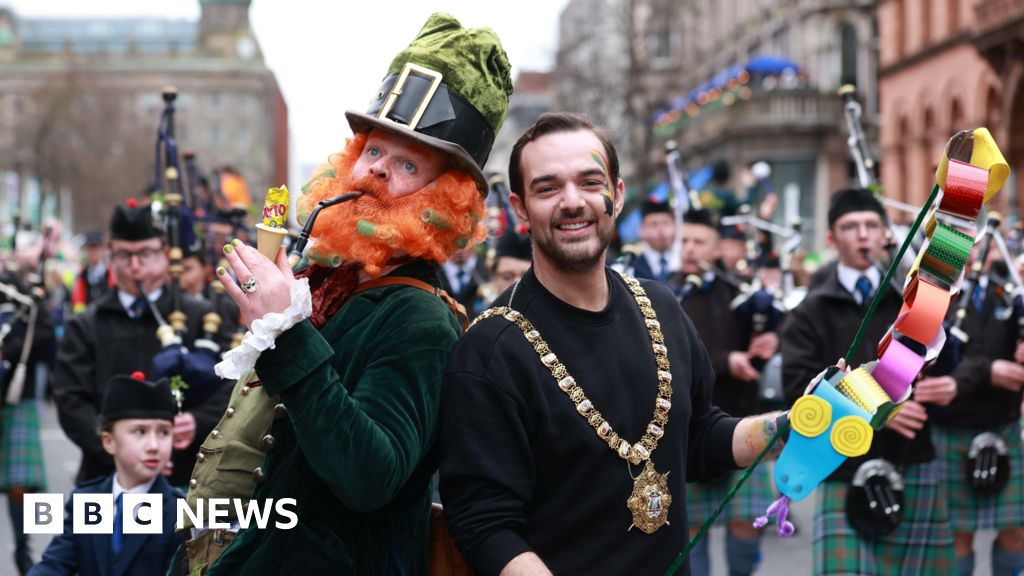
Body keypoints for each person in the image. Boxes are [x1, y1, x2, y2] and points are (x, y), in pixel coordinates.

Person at [175, 13, 513, 574]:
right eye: (374, 152)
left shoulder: (420, 318)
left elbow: (370, 475)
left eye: (408, 164)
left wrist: (285, 331)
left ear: (446, 198)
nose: (377, 173)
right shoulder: (329, 280)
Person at [438, 112, 791, 575]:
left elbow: (701, 437)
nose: (572, 202)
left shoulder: (662, 307)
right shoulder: (489, 349)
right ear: (521, 210)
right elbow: (483, 521)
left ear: (617, 195)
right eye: (548, 188)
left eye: (590, 182)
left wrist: (791, 424)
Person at [780, 187, 957, 575]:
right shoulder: (810, 311)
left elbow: (942, 367)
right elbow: (798, 390)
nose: (862, 235)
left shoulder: (913, 302)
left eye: (871, 225)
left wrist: (950, 385)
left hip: (913, 463)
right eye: (850, 227)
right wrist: (884, 411)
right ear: (831, 238)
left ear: (885, 235)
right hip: (842, 468)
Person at [51, 199, 231, 487]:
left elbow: (232, 385)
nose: (134, 266)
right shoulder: (85, 325)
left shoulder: (202, 317)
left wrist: (198, 420)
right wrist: (121, 452)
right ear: (111, 256)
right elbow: (71, 401)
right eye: (124, 255)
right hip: (106, 477)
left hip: (187, 477)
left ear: (164, 252)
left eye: (145, 253)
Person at [670, 208, 778, 576]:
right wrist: (725, 361)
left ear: (718, 249)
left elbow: (758, 345)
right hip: (690, 433)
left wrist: (767, 343)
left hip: (742, 424)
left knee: (747, 525)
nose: (689, 249)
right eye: (684, 240)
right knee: (691, 534)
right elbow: (673, 358)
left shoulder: (740, 291)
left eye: (699, 242)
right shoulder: (667, 294)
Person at [921, 249, 1024, 576]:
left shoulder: (1005, 293)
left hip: (1002, 422)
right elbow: (947, 354)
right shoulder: (926, 295)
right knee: (957, 534)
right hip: (952, 424)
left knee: (1017, 530)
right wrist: (987, 369)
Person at [30, 372, 184, 576]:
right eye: (140, 432)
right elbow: (55, 564)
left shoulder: (180, 512)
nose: (154, 445)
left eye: (164, 432)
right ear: (109, 442)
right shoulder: (87, 499)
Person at [0, 269, 56, 575]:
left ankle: (24, 552)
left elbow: (46, 333)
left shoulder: (15, 289)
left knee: (20, 486)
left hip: (15, 398)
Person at [632, 199, 677, 282]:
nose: (661, 230)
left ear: (675, 227)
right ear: (641, 230)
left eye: (666, 223)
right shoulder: (632, 266)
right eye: (653, 224)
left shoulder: (684, 262)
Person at [70, 230, 113, 314]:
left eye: (95, 248)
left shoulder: (111, 273)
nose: (92, 252)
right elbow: (77, 302)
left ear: (103, 249)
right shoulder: (82, 274)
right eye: (89, 248)